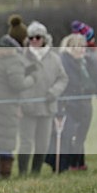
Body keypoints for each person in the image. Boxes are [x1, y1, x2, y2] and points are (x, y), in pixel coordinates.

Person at [0, 18, 37, 179]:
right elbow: (17, 84)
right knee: (7, 140)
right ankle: (4, 175)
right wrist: (32, 78)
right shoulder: (12, 60)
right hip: (8, 105)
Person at [17, 21, 68, 175]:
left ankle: (35, 172)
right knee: (26, 143)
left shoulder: (54, 58)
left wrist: (54, 92)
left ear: (44, 38)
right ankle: (22, 173)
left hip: (47, 107)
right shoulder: (21, 57)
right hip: (27, 108)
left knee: (43, 144)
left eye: (37, 37)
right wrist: (21, 101)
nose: (34, 40)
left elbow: (63, 78)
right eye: (31, 37)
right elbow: (15, 81)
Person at [55, 34, 97, 172]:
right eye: (77, 46)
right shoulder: (63, 61)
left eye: (83, 46)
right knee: (69, 136)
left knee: (81, 135)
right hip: (68, 105)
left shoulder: (86, 62)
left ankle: (78, 164)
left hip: (85, 104)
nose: (81, 49)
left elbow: (96, 79)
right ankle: (66, 166)